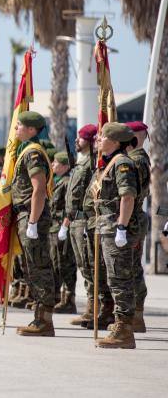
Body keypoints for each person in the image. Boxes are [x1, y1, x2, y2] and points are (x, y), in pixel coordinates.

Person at [93, 122, 139, 349]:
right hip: (106, 226)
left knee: (120, 279)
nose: (99, 140)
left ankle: (125, 329)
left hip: (115, 228)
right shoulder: (110, 162)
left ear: (116, 141)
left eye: (103, 137)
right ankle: (121, 324)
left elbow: (127, 196)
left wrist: (121, 226)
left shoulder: (121, 163)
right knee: (113, 278)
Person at [10, 111, 55, 337]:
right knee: (32, 267)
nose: (15, 128)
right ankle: (39, 318)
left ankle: (44, 320)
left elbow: (38, 189)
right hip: (27, 215)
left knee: (39, 267)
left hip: (32, 214)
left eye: (19, 125)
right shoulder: (26, 151)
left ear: (30, 130)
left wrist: (33, 222)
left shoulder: (32, 153)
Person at [64, 124, 97, 327]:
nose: (77, 141)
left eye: (82, 138)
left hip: (84, 220)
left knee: (89, 264)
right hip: (75, 220)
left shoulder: (92, 164)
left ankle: (95, 309)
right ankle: (91, 308)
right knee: (82, 265)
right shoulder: (80, 162)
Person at [124, 121, 150, 333]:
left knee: (131, 269)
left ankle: (136, 316)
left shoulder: (137, 160)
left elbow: (133, 194)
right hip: (131, 219)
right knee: (130, 268)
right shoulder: (134, 159)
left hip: (132, 220)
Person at [49, 152, 77, 314]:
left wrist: (65, 226)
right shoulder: (57, 181)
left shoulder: (67, 182)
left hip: (61, 226)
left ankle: (68, 299)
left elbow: (69, 207)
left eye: (56, 163)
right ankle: (59, 297)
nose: (53, 165)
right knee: (56, 263)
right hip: (53, 227)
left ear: (66, 166)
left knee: (65, 263)